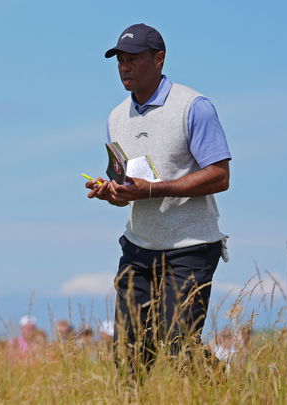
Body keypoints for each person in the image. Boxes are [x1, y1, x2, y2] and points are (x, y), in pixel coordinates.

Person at [86, 23, 231, 368]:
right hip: (138, 247)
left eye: (134, 59)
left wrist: (154, 189)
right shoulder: (115, 117)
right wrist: (112, 193)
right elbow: (127, 186)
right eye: (120, 59)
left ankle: (222, 391)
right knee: (130, 352)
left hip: (190, 248)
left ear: (159, 59)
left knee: (178, 344)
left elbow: (220, 176)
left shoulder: (193, 106)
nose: (125, 66)